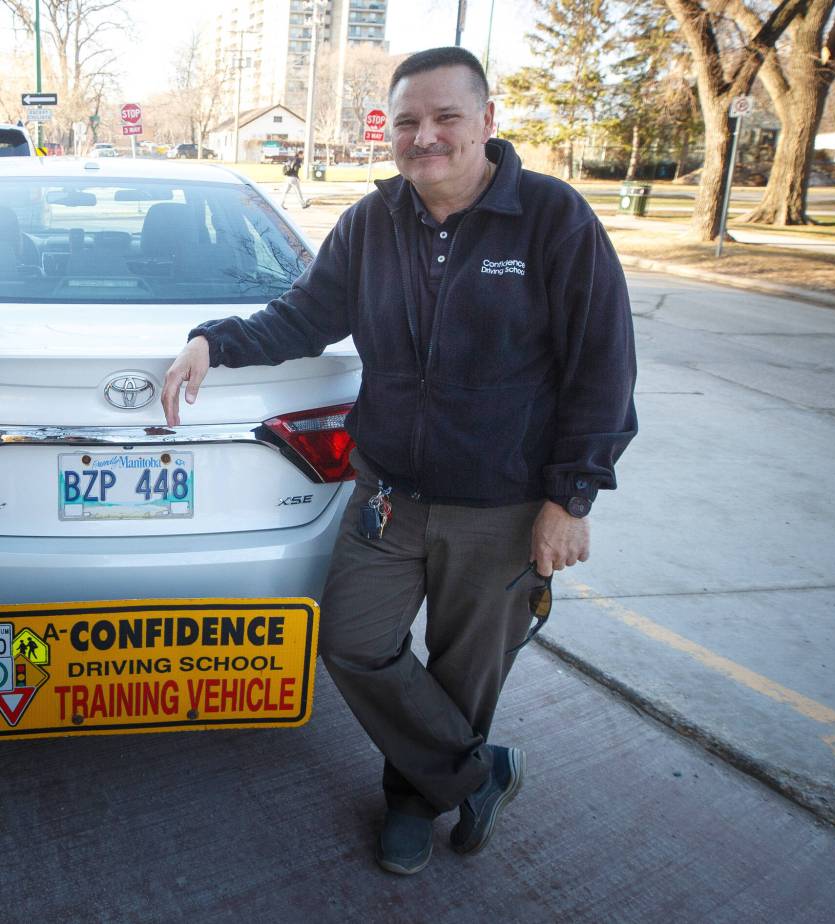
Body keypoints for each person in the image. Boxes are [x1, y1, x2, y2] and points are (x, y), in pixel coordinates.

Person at [161, 46, 637, 876]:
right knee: (352, 641)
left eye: (446, 117)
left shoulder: (553, 219)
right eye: (408, 121)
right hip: (388, 496)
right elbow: (304, 316)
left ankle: (412, 803)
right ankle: (476, 776)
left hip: (502, 505)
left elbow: (603, 367)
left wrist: (572, 498)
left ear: (486, 121)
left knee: (463, 673)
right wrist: (214, 340)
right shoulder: (371, 222)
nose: (425, 136)